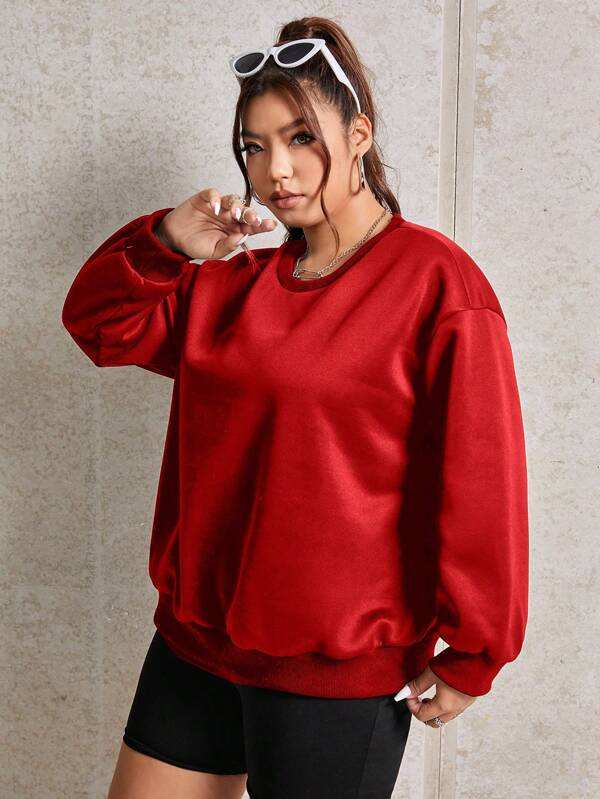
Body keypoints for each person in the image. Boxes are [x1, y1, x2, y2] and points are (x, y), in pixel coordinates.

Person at [61, 15, 529, 799]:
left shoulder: (436, 285)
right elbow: (98, 324)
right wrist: (168, 241)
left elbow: (482, 482)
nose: (275, 169)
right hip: (195, 648)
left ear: (359, 136)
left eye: (301, 138)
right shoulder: (230, 287)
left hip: (332, 674)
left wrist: (477, 653)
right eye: (254, 146)